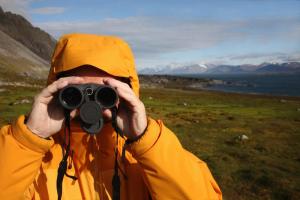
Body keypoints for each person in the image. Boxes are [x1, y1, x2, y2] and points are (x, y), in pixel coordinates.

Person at [0, 33, 222, 200]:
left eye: (105, 93)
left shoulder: (150, 157)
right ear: (57, 89)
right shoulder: (26, 157)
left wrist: (146, 140)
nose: (91, 101)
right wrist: (29, 139)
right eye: (75, 91)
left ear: (128, 93)